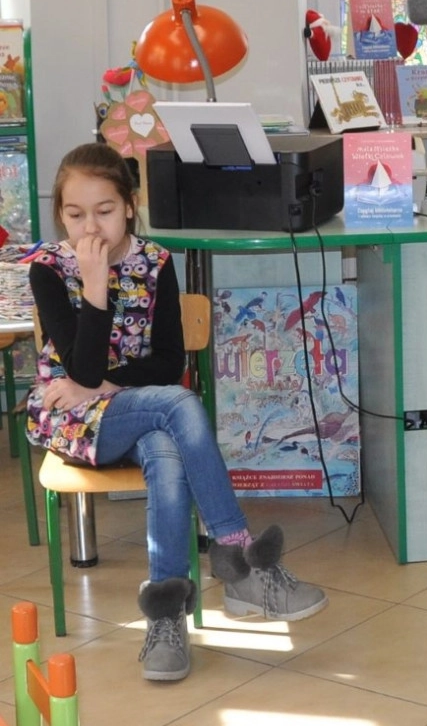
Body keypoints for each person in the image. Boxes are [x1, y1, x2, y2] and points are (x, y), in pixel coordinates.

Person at [25, 143, 327, 683]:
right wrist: (94, 285)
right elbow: (81, 368)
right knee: (181, 404)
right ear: (60, 215)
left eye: (104, 211)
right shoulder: (49, 269)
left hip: (145, 408)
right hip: (76, 420)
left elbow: (167, 363)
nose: (90, 226)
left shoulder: (157, 262)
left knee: (168, 445)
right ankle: (239, 560)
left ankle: (166, 619)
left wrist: (105, 384)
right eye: (75, 214)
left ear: (130, 207)